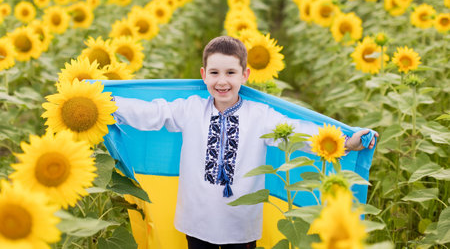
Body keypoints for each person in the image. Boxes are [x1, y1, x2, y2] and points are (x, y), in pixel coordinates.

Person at [111, 36, 378, 249]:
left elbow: (300, 133)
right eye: (214, 73)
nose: (222, 81)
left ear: (245, 75)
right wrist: (103, 103)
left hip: (240, 224)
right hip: (195, 218)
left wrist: (346, 142)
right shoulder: (190, 108)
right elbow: (152, 113)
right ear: (203, 74)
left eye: (230, 72)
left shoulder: (260, 116)